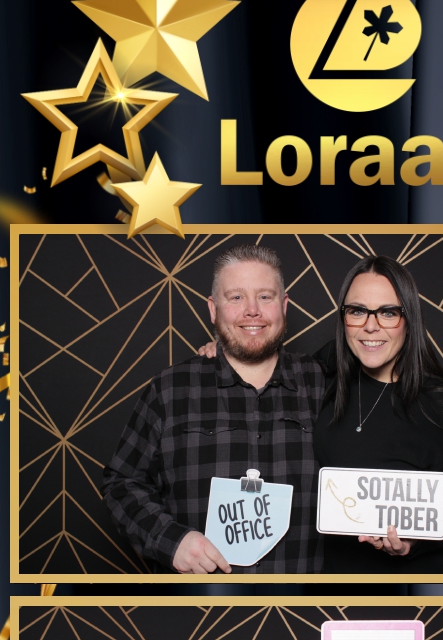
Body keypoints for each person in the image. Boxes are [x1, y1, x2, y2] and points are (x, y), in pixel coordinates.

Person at [102, 243, 325, 574]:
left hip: (303, 596)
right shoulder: (170, 389)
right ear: (213, 309)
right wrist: (170, 541)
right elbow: (122, 482)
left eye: (265, 296)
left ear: (284, 305)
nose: (252, 310)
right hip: (204, 599)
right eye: (236, 297)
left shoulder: (323, 384)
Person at [312, 254, 443, 574]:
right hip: (340, 586)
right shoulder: (327, 374)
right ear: (344, 318)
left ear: (409, 319)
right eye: (357, 311)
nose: (370, 326)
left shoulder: (441, 406)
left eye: (388, 312)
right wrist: (222, 355)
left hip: (416, 586)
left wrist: (416, 539)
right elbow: (269, 365)